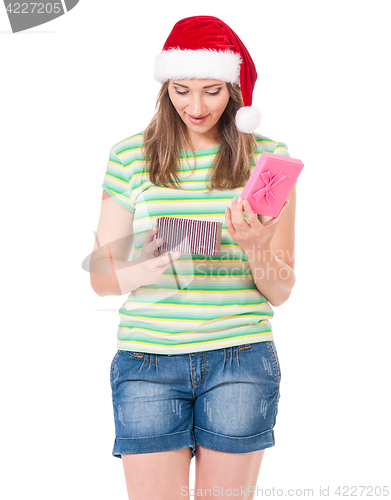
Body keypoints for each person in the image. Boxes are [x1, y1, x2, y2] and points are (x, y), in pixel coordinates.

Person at [89, 15, 296, 500]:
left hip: (240, 359)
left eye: (212, 91)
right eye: (181, 90)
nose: (195, 106)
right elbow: (101, 278)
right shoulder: (129, 157)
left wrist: (254, 245)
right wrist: (145, 263)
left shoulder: (267, 160)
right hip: (148, 360)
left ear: (234, 92)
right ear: (165, 87)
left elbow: (282, 291)